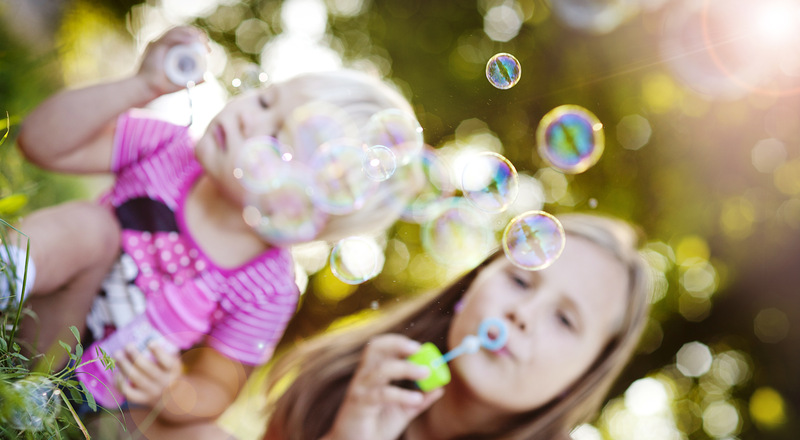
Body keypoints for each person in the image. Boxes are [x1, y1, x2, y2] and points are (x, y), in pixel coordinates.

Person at [9, 26, 423, 436]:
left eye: (277, 138)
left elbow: (216, 386)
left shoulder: (269, 287)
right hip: (43, 328)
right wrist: (142, 85)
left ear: (299, 206)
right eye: (265, 99)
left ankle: (42, 410)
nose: (247, 116)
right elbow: (39, 141)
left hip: (107, 402)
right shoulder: (167, 149)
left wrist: (172, 389)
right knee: (92, 228)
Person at [261, 213, 652, 440]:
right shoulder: (336, 381)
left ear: (583, 375)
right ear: (471, 286)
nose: (523, 314)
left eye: (565, 319)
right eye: (519, 281)